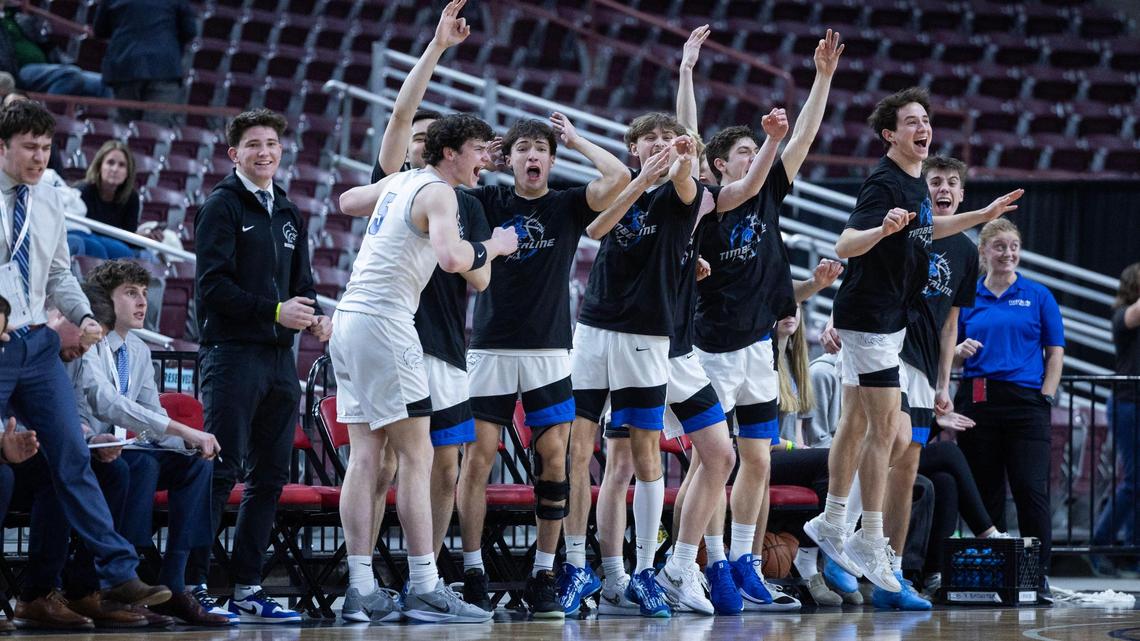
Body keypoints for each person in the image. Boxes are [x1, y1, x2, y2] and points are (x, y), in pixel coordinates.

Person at [804, 86, 1022, 594]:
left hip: (884, 320)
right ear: (890, 134)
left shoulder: (913, 184)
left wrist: (982, 216)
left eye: (926, 119)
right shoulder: (884, 183)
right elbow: (844, 243)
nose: (922, 127)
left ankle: (834, 523)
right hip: (871, 321)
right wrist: (881, 229)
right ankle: (868, 537)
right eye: (911, 121)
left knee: (858, 425)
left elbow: (931, 228)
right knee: (887, 432)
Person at [335, 0, 500, 621]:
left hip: (349, 320)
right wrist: (494, 245)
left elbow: (351, 200)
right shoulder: (436, 190)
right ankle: (426, 586)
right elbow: (457, 261)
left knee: (366, 457)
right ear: (453, 152)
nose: (486, 159)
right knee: (417, 456)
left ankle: (360, 589)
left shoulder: (400, 181)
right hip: (386, 324)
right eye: (481, 150)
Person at [676, 28, 842, 614]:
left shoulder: (769, 194)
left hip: (758, 350)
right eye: (744, 152)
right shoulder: (706, 206)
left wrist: (821, 78)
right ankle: (701, 563)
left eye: (756, 150)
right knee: (708, 463)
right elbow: (688, 141)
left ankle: (744, 561)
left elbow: (803, 137)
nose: (756, 157)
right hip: (713, 347)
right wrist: (688, 71)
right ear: (721, 165)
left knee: (758, 460)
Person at [0, 99, 170, 613]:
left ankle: (117, 571)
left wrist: (86, 317)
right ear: (2, 147)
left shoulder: (51, 200)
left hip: (36, 343)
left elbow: (58, 275)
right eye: (28, 147)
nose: (38, 156)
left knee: (73, 455)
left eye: (46, 147)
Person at [189, 108, 332, 623]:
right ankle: (193, 583)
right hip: (231, 355)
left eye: (272, 142)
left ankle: (247, 588)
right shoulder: (221, 207)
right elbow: (211, 288)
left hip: (279, 360)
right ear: (234, 154)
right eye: (253, 144)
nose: (265, 151)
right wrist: (273, 310)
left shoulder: (290, 212)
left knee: (269, 476)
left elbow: (304, 284)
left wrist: (314, 317)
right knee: (219, 470)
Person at [72, 261, 230, 626]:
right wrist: (186, 431)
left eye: (144, 293)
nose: (142, 302)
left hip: (128, 454)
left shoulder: (140, 352)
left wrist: (186, 444)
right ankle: (124, 580)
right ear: (106, 302)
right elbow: (112, 405)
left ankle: (174, 583)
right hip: (92, 451)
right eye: (130, 293)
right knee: (141, 464)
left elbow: (151, 416)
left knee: (195, 464)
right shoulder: (91, 343)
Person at [954, 217, 1064, 597]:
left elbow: (1055, 353)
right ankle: (994, 575)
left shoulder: (1038, 295)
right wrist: (955, 354)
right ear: (983, 251)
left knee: (1031, 491)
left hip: (1026, 404)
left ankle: (1038, 576)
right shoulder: (967, 295)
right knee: (986, 493)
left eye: (1013, 246)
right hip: (978, 400)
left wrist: (1046, 396)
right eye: (999, 246)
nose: (1008, 253)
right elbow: (948, 356)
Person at [1091, 262, 1140, 575]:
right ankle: (1100, 542)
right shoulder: (1123, 316)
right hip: (1128, 403)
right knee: (1133, 481)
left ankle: (1133, 550)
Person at [93, 0, 197, 126]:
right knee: (155, 133)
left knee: (124, 129)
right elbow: (190, 31)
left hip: (125, 65)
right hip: (164, 68)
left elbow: (99, 30)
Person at [0, 2, 110, 97]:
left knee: (105, 84)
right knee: (70, 75)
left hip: (46, 66)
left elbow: (47, 44)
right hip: (18, 71)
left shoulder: (17, 16)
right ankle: (42, 116)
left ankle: (119, 120)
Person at [69, 140, 140, 260]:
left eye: (122, 165)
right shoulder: (82, 191)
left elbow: (128, 237)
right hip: (87, 241)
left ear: (128, 172)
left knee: (147, 256)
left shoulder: (131, 198)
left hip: (117, 247)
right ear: (99, 166)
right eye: (110, 163)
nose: (115, 169)